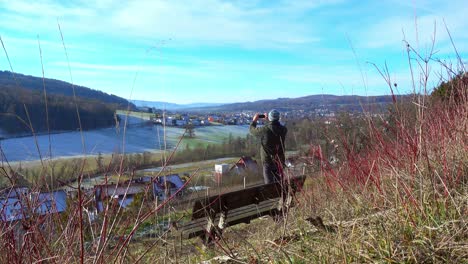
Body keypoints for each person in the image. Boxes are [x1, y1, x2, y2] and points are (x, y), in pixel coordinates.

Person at [250, 109, 287, 184]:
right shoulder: (284, 130)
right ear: (278, 118)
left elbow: (252, 130)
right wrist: (269, 121)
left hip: (268, 161)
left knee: (269, 186)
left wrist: (254, 121)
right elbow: (274, 127)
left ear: (270, 118)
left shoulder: (265, 130)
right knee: (280, 185)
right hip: (279, 161)